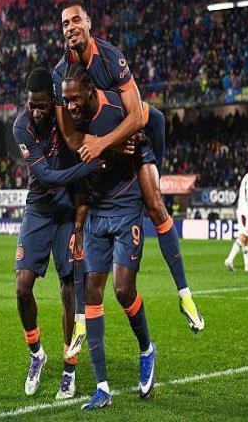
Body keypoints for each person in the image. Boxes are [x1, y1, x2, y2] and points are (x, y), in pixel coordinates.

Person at [53, 0, 204, 336]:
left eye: (76, 20)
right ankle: (83, 321)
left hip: (134, 140)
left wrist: (105, 143)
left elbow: (138, 117)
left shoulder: (111, 59)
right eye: (64, 24)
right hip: (107, 152)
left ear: (88, 23)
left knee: (156, 205)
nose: (71, 27)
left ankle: (185, 295)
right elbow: (70, 136)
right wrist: (105, 145)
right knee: (87, 223)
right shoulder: (60, 74)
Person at [62, 63, 157, 410]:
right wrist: (78, 222)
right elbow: (75, 171)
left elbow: (150, 125)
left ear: (90, 91)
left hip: (126, 206)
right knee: (92, 292)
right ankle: (102, 387)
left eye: (75, 98)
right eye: (65, 100)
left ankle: (146, 349)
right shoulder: (71, 125)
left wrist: (146, 171)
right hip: (96, 213)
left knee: (123, 289)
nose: (70, 105)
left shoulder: (117, 110)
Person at [13, 68, 103, 399]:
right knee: (22, 287)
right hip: (39, 208)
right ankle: (37, 354)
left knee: (69, 289)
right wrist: (89, 166)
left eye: (42, 105)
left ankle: (69, 368)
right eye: (31, 105)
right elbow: (48, 177)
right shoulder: (21, 126)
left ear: (52, 100)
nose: (36, 111)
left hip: (67, 212)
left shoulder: (65, 114)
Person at [225, 162, 248, 272]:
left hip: (245, 211)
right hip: (245, 212)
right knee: (243, 237)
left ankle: (247, 264)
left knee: (246, 239)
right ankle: (229, 259)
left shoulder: (247, 178)